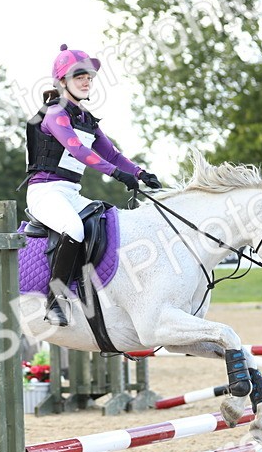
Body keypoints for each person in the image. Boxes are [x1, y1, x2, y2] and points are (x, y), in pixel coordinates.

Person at [22, 44, 161, 326]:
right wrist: (115, 174)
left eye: (89, 77)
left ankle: (90, 290)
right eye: (79, 76)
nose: (87, 81)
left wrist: (139, 172)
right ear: (62, 82)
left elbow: (113, 154)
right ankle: (54, 299)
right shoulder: (54, 114)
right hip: (44, 192)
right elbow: (77, 150)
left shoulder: (85, 119)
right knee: (72, 228)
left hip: (71, 192)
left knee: (109, 221)